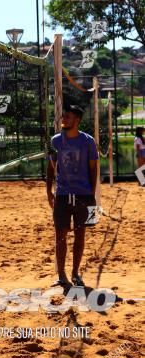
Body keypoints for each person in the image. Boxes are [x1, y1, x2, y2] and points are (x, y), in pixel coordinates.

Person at [46, 105, 99, 289]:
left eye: (67, 117)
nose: (64, 119)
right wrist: (49, 192)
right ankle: (62, 275)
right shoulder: (56, 141)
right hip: (62, 194)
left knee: (80, 234)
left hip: (83, 194)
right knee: (60, 235)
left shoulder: (88, 141)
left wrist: (92, 196)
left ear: (76, 120)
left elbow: (94, 169)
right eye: (63, 116)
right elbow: (51, 167)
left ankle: (75, 272)